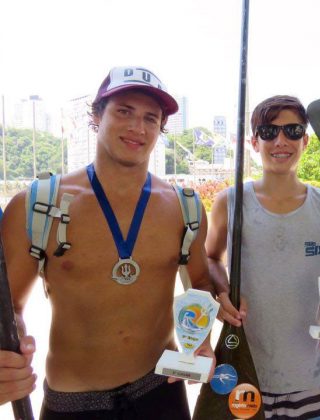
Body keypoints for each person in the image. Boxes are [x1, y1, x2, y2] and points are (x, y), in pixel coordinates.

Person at [0, 66, 214, 419]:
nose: (137, 127)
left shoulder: (184, 207)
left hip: (162, 390)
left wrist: (200, 337)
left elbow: (201, 283)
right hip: (73, 402)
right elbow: (9, 308)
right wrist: (10, 350)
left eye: (150, 118)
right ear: (96, 116)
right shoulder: (38, 205)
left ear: (160, 129)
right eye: (124, 111)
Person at [206, 95, 320, 419]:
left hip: (310, 377)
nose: (280, 141)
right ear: (254, 141)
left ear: (305, 141)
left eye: (292, 131)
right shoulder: (229, 202)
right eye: (268, 131)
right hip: (244, 373)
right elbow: (210, 258)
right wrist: (222, 292)